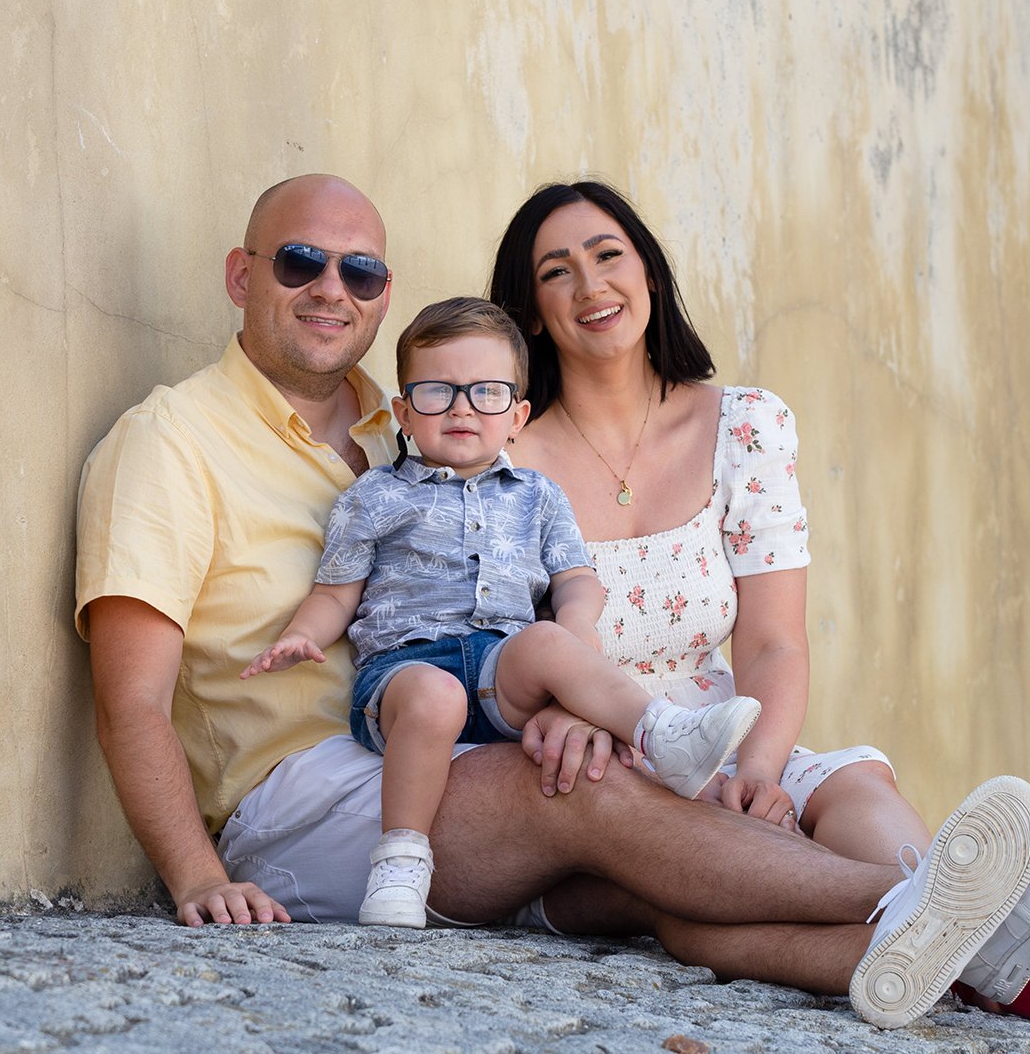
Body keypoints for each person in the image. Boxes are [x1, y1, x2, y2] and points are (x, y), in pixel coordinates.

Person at [76, 172, 1030, 1031]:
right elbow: (130, 699)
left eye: (360, 272)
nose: (331, 290)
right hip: (303, 797)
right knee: (587, 791)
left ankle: (940, 966)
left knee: (641, 878)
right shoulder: (170, 441)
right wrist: (198, 875)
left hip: (454, 750)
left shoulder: (404, 427)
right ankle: (922, 902)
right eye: (300, 263)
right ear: (242, 277)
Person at [487, 179, 1030, 1024]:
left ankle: (973, 915)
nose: (591, 287)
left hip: (728, 725)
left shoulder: (744, 425)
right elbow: (498, 647)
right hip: (602, 757)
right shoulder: (502, 458)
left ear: (652, 277)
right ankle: (997, 931)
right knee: (693, 891)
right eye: (556, 272)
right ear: (529, 312)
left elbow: (775, 641)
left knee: (850, 783)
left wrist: (759, 769)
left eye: (609, 257)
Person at [243, 296, 763, 928]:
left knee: (545, 641)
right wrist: (302, 635)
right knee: (435, 697)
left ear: (516, 416)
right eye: (437, 392)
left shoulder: (538, 497)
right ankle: (401, 865)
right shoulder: (374, 497)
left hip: (499, 665)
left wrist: (572, 636)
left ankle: (661, 731)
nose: (462, 407)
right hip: (405, 675)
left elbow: (578, 582)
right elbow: (336, 594)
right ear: (404, 413)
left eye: (486, 393)